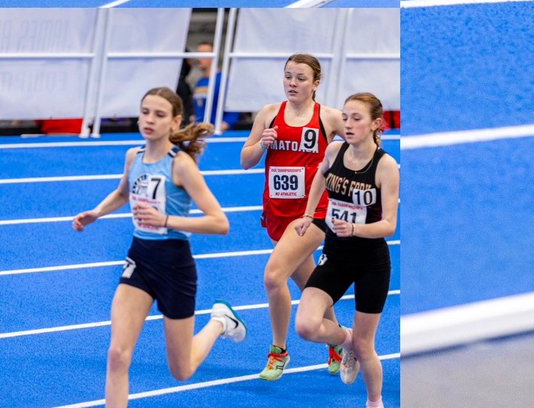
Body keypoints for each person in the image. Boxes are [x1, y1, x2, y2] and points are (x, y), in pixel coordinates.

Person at [72, 87, 246, 408]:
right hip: (139, 259)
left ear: (175, 121)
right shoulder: (133, 156)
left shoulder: (181, 165)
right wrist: (96, 212)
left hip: (174, 266)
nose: (149, 120)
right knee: (117, 354)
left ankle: (220, 321)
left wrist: (166, 220)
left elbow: (220, 223)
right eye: (145, 112)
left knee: (182, 369)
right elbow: (123, 193)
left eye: (159, 115)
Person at [241, 53, 347, 380]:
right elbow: (245, 160)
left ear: (315, 83)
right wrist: (262, 145)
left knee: (274, 276)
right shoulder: (269, 114)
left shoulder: (329, 117)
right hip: (277, 211)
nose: (292, 83)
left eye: (300, 78)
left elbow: (365, 143)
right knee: (312, 286)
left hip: (313, 213)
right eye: (288, 76)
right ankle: (340, 341)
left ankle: (279, 352)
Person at [295, 92, 398, 408]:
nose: (348, 124)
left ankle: (374, 401)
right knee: (306, 326)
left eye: (356, 118)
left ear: (375, 124)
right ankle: (346, 339)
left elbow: (389, 225)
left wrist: (355, 229)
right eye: (345, 118)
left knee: (367, 347)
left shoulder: (385, 166)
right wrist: (309, 214)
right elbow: (320, 177)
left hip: (370, 261)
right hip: (336, 256)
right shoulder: (334, 150)